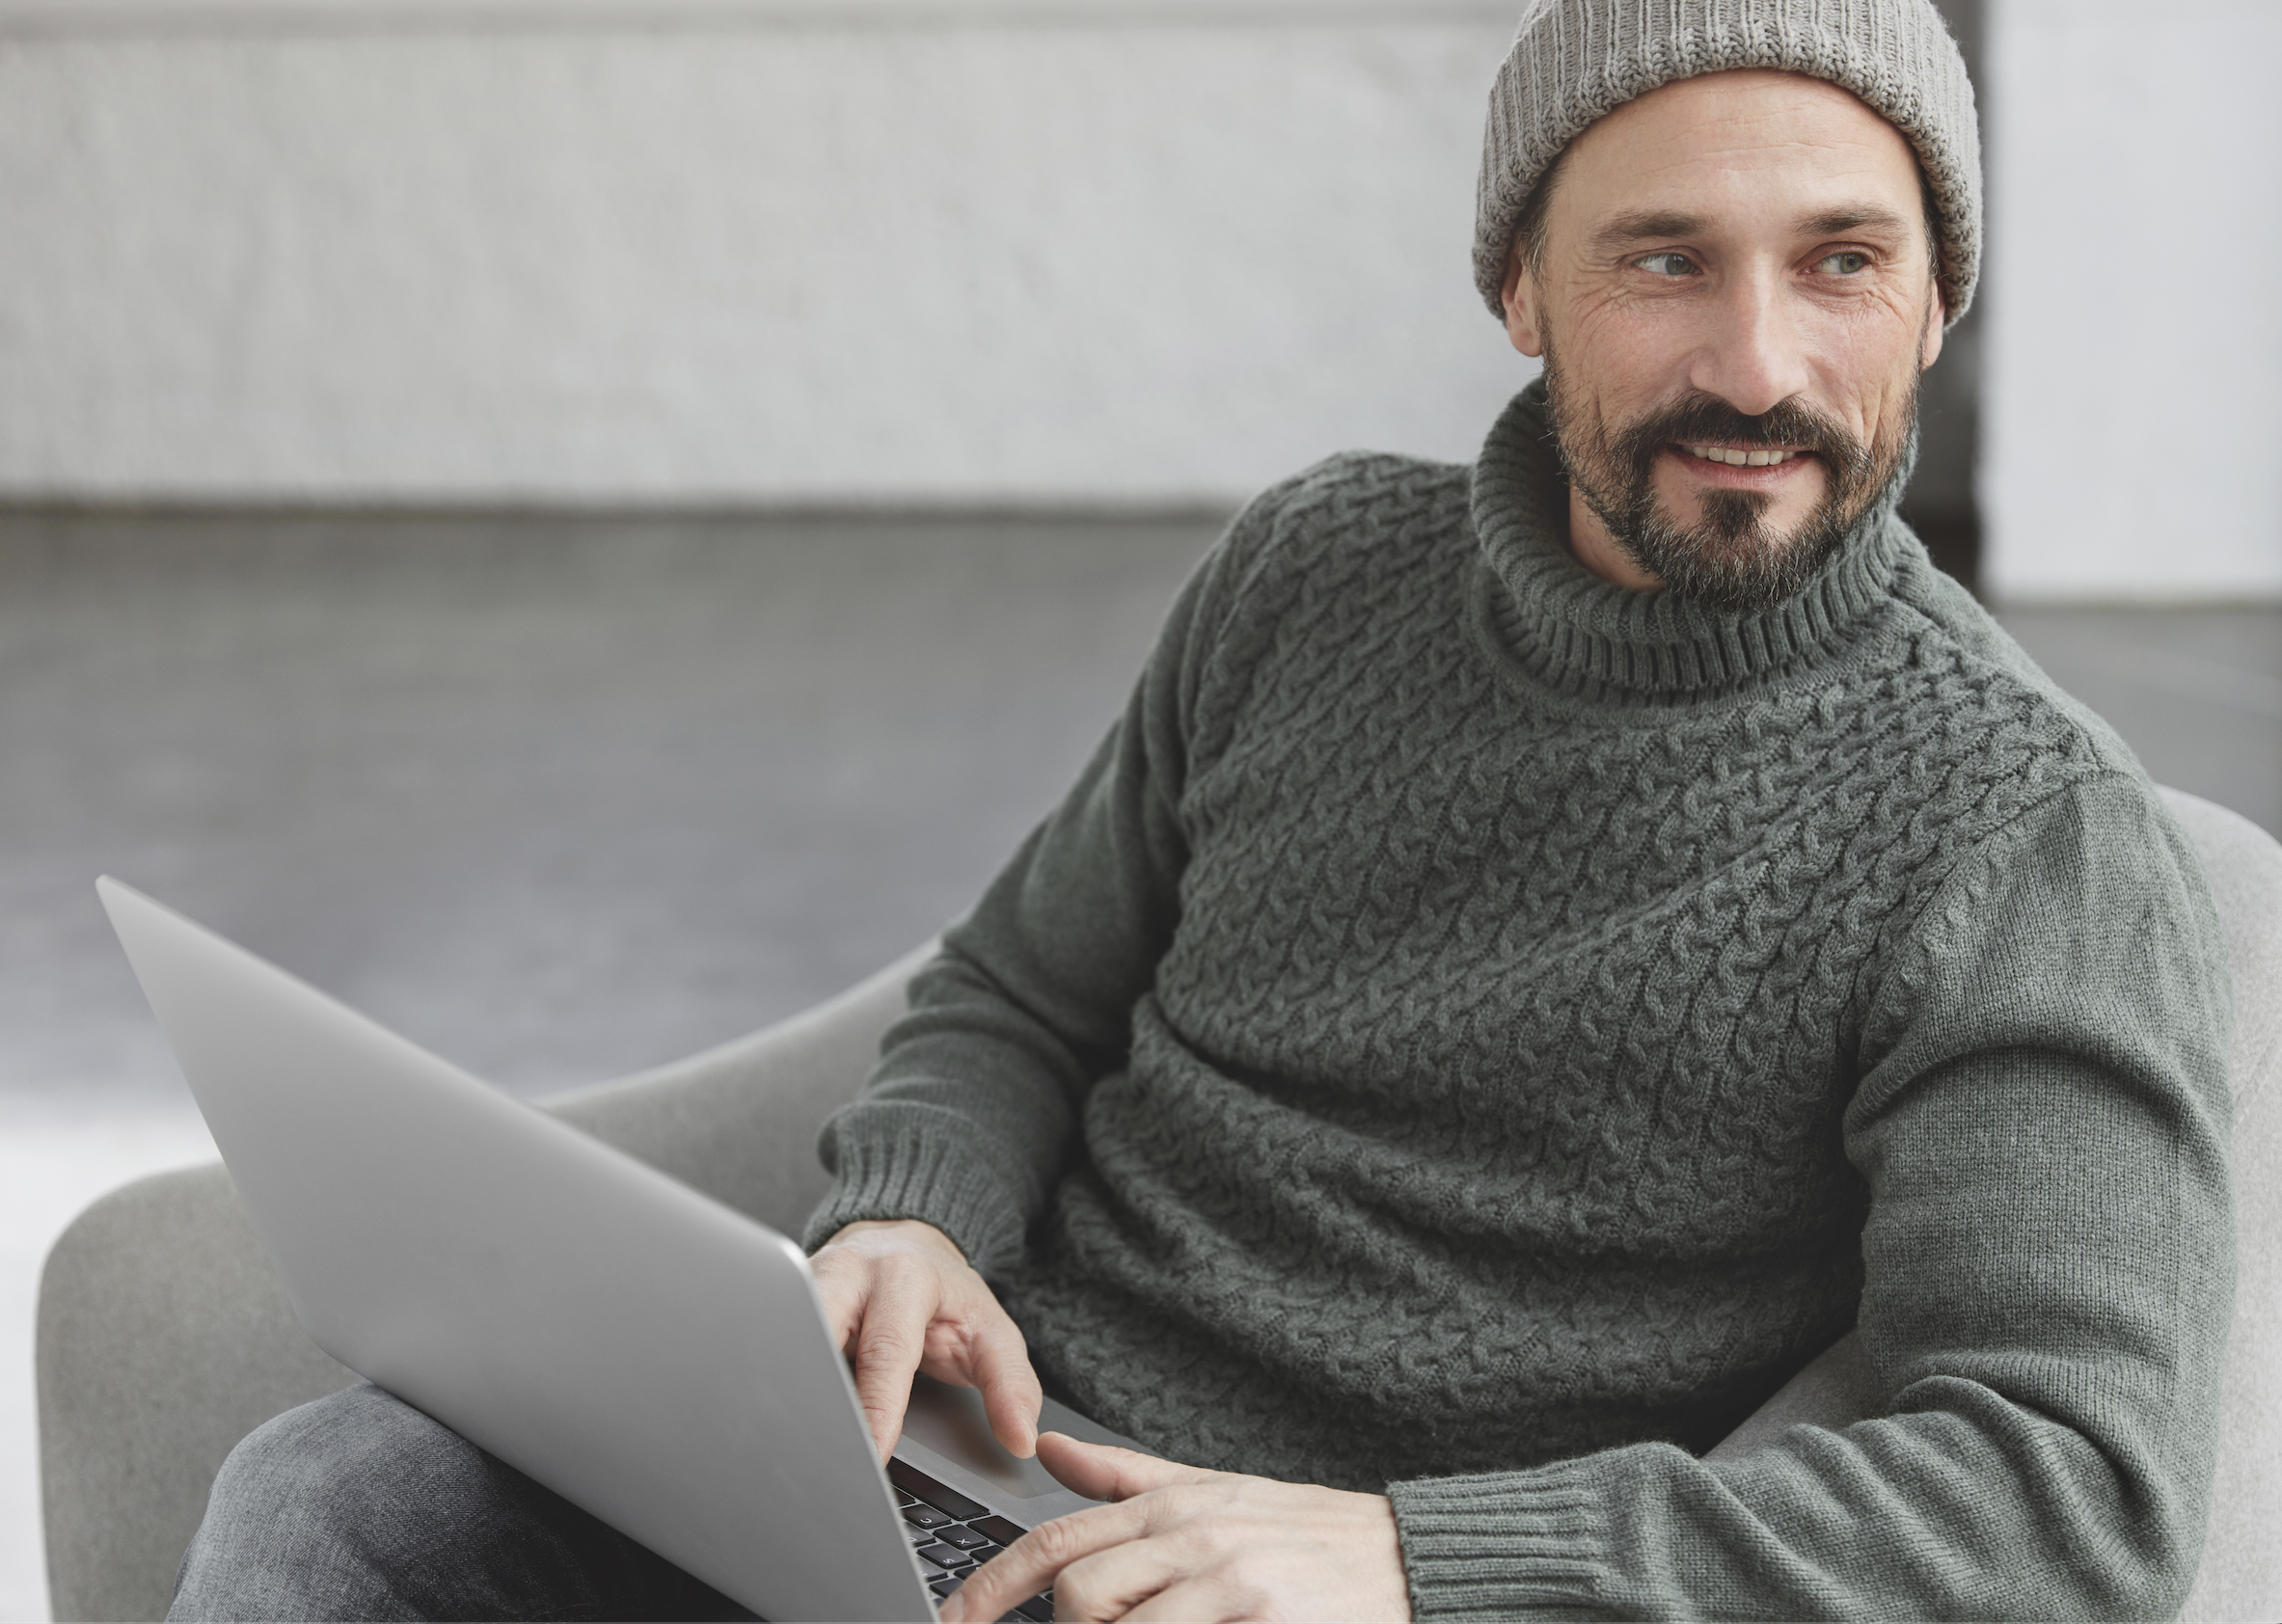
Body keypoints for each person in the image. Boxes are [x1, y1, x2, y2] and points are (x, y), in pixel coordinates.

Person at [171, 0, 2234, 1619]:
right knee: (343, 1492)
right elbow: (1018, 993)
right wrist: (910, 1207)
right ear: (1521, 290)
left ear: (1936, 303)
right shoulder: (1313, 570)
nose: (1756, 364)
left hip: (1310, 1586)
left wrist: (1419, 1558)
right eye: (1663, 261)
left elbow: (2069, 1490)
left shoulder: (2021, 833)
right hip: (962, 1478)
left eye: (1841, 263)